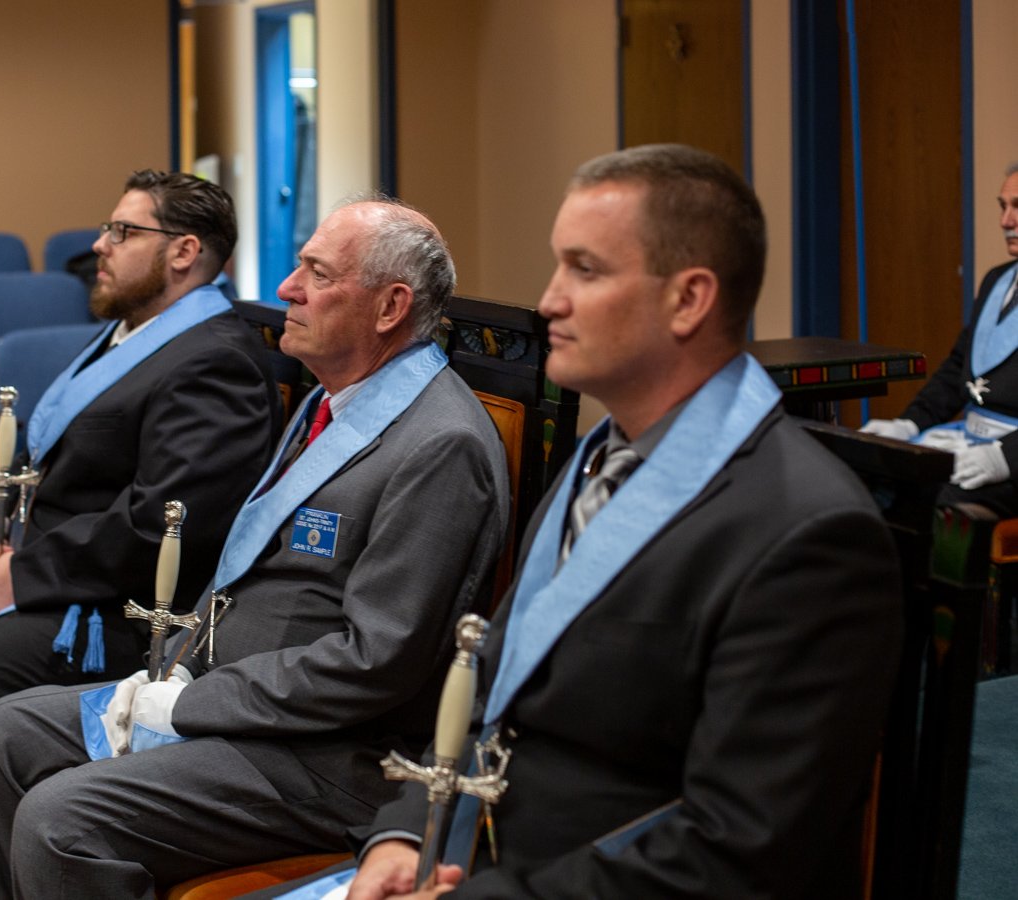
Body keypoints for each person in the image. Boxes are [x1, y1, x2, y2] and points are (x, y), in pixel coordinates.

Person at [263, 144, 901, 900]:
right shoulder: (598, 459)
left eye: (585, 270)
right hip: (467, 854)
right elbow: (490, 689)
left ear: (688, 300)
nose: (550, 301)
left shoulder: (809, 531)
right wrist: (405, 833)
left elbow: (741, 846)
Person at [0, 195, 511, 900]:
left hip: (326, 757)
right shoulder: (332, 398)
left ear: (389, 307)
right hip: (238, 700)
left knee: (60, 819)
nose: (286, 288)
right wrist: (176, 675)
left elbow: (376, 663)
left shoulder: (442, 444)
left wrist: (194, 704)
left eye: (316, 272)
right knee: (1, 733)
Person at [0, 170, 283, 900]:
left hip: (120, 606)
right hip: (51, 566)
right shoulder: (133, 335)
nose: (98, 245)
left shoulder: (215, 358)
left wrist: (21, 575)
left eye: (121, 231)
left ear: (183, 252)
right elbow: (45, 459)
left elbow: (159, 523)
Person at [862, 162, 1018, 516]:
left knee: (951, 505)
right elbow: (956, 371)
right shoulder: (997, 280)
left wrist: (1006, 458)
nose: (1005, 222)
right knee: (879, 476)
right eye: (1003, 207)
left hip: (1009, 461)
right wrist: (911, 423)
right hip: (970, 439)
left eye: (1017, 207)